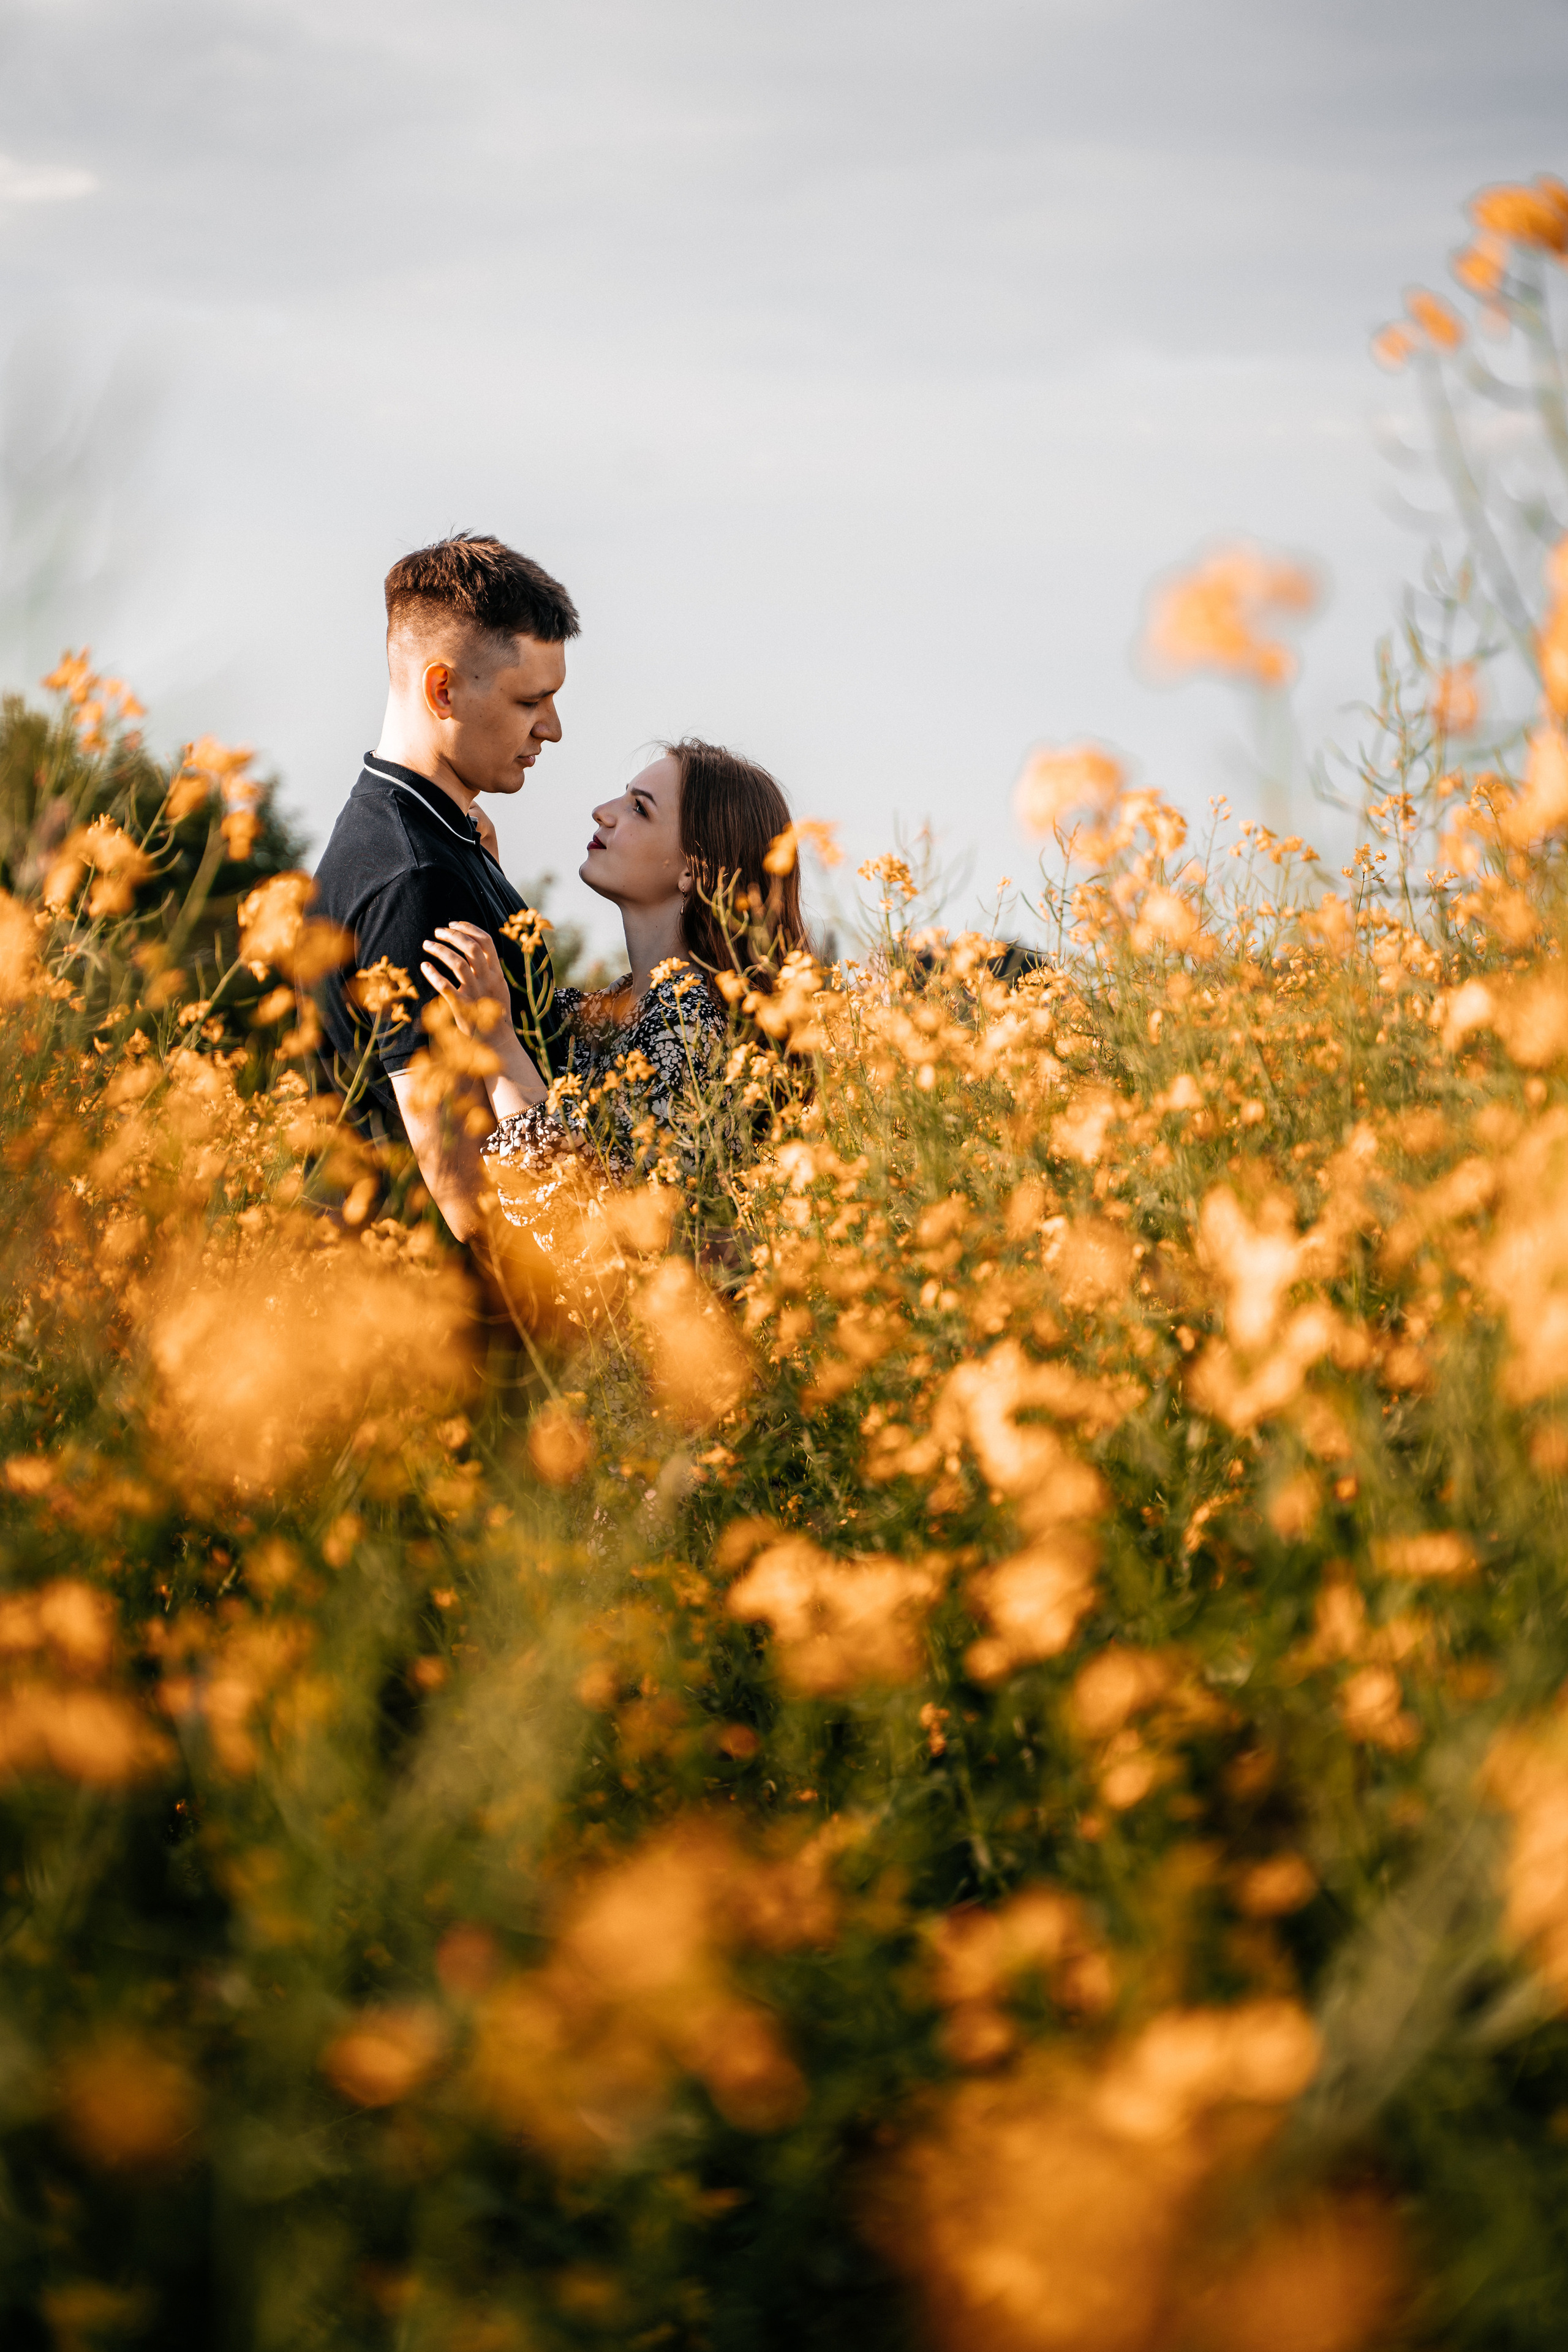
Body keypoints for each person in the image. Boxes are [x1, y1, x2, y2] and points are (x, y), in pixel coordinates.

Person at [311, 532, 578, 1243]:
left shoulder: (441, 835)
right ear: (443, 689)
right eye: (531, 700)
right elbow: (469, 1203)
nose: (552, 728)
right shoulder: (414, 878)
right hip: (438, 1329)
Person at [418, 738, 808, 1197]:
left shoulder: (691, 1029)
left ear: (692, 870)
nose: (602, 811)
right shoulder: (620, 1011)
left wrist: (496, 1038)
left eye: (639, 809)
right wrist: (484, 875)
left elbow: (596, 1226)